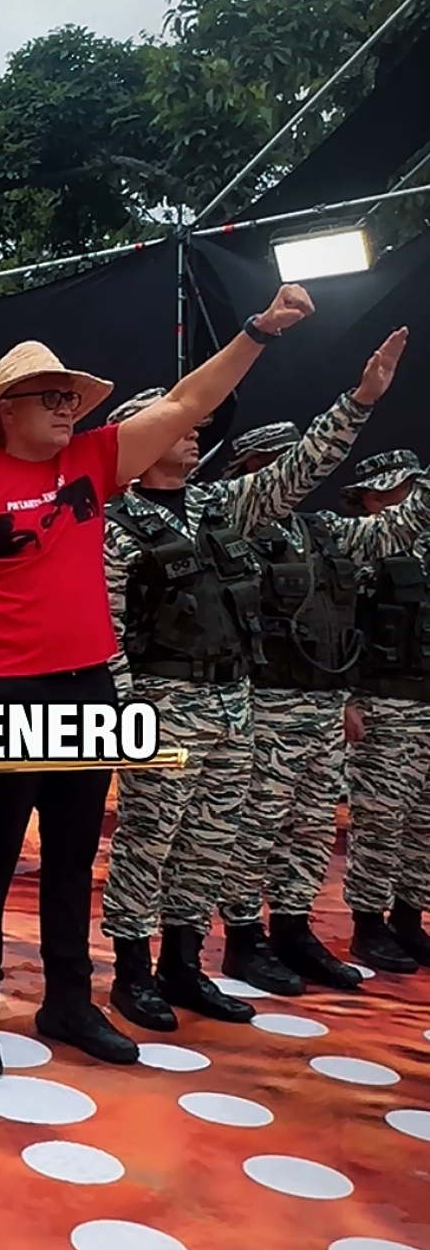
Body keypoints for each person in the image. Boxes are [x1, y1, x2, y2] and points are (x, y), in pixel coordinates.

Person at [0, 292, 315, 1077]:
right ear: (7, 410)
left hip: (89, 688)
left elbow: (184, 402)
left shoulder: (93, 462)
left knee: (71, 857)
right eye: (53, 397)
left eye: (73, 397)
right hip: (7, 696)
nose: (69, 408)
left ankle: (70, 1002)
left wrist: (257, 332)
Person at [99, 333, 404, 1036]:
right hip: (163, 704)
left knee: (209, 842)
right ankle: (131, 974)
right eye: (173, 424)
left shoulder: (222, 508)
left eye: (191, 425)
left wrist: (358, 403)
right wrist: (126, 714)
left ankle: (184, 965)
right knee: (150, 843)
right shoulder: (119, 527)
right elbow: (105, 627)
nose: (191, 432)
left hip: (233, 705)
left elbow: (298, 471)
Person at [215, 392, 430, 991]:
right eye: (284, 462)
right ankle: (242, 937)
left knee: (309, 826)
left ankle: (291, 928)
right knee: (256, 823)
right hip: (267, 701)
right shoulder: (239, 527)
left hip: (323, 700)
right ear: (257, 470)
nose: (299, 473)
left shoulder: (327, 531)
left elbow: (402, 523)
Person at [340, 450, 430, 972]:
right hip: (384, 704)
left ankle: (410, 918)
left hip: (426, 699)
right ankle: (368, 924)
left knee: (423, 822)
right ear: (373, 497)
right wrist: (348, 700)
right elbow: (340, 629)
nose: (411, 498)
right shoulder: (358, 551)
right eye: (399, 490)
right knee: (380, 819)